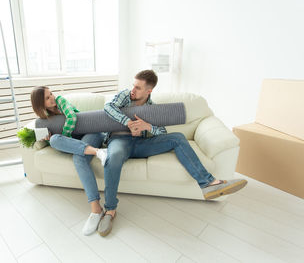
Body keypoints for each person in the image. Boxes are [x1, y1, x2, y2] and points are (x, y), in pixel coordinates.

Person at [97, 70, 248, 237]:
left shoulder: (153, 109)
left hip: (142, 144)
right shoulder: (125, 96)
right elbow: (108, 107)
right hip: (120, 141)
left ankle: (208, 184)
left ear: (149, 91)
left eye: (138, 88)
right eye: (133, 85)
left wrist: (148, 127)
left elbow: (161, 131)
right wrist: (129, 122)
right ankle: (110, 211)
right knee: (115, 156)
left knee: (177, 137)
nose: (133, 90)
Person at [30, 86, 108, 236]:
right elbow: (53, 142)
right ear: (40, 104)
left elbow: (72, 117)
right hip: (79, 143)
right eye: (47, 98)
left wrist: (66, 137)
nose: (52, 97)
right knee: (54, 140)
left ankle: (95, 209)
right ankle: (98, 152)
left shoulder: (60, 101)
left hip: (92, 133)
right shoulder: (44, 119)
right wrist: (47, 138)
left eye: (50, 94)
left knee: (78, 159)